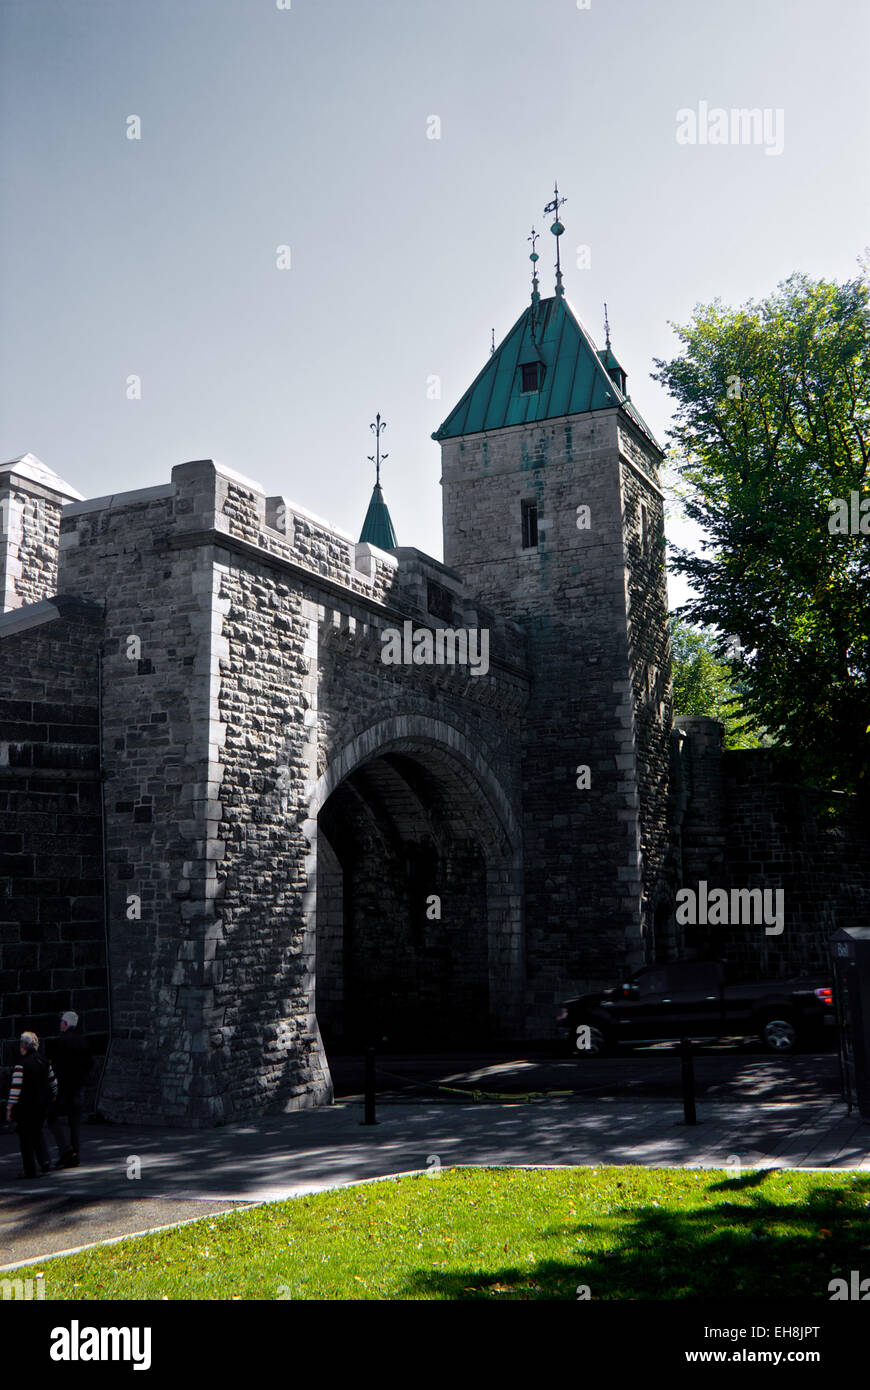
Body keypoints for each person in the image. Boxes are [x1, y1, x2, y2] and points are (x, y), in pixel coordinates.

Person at [5, 1032, 57, 1180]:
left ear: (23, 1046)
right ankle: (45, 1162)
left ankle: (30, 1170)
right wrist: (53, 1096)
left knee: (25, 1138)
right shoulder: (44, 1060)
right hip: (41, 1106)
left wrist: (9, 1107)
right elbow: (53, 1082)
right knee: (38, 1133)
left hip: (25, 1107)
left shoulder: (21, 1065)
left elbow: (16, 1089)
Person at [47, 1011, 92, 1169]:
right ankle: (75, 1155)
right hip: (78, 1086)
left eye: (61, 1022)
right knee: (74, 1124)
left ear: (65, 1024)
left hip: (63, 1088)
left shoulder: (60, 1041)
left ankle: (66, 1151)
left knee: (52, 1118)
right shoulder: (83, 1041)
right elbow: (89, 1064)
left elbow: (54, 1066)